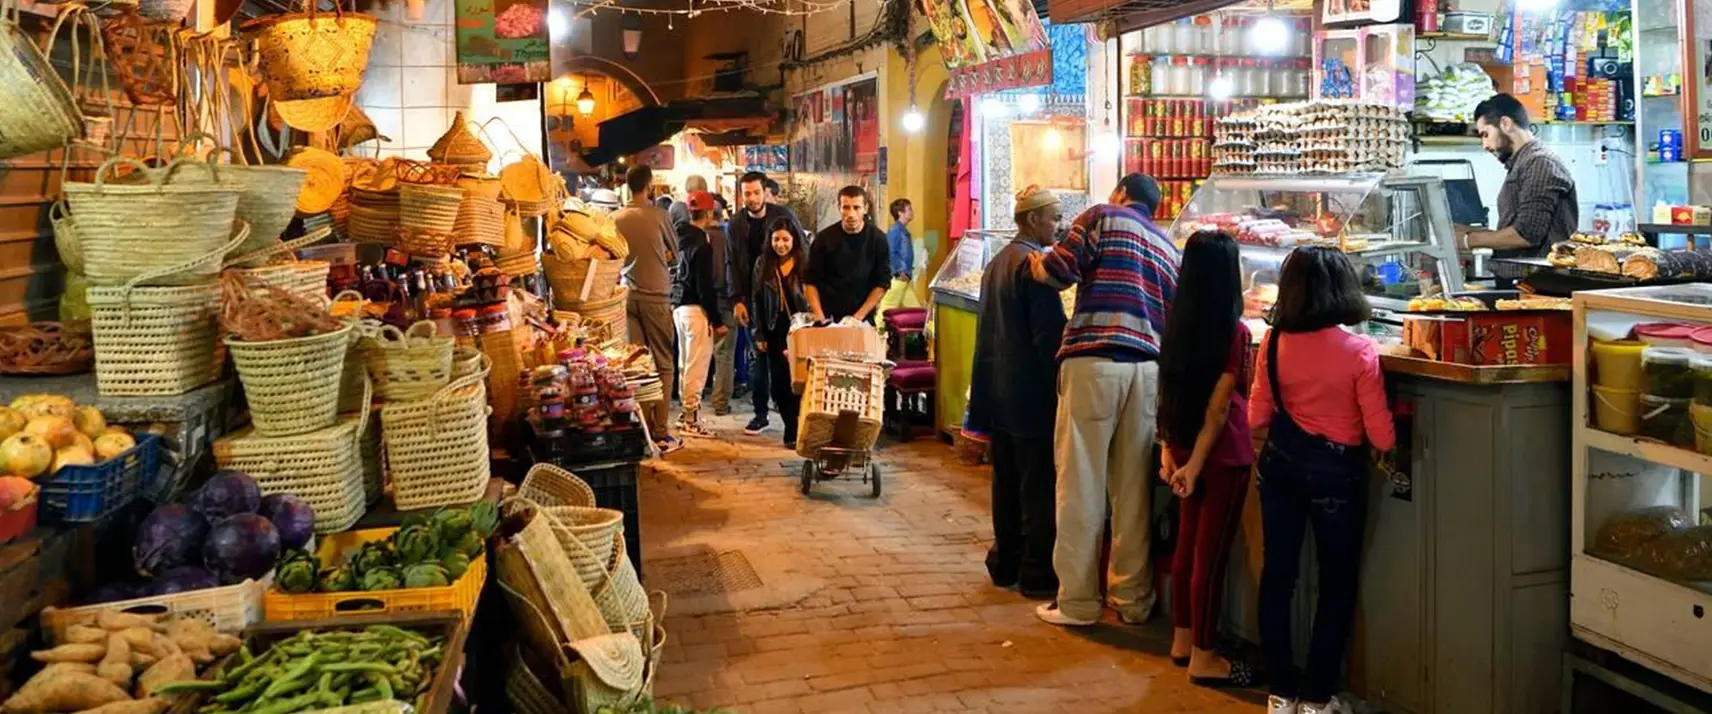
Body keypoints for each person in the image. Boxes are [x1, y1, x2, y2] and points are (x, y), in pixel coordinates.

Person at [1024, 173, 1179, 628]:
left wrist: (1033, 264)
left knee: (1080, 487)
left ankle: (1077, 603)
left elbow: (1058, 271)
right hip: (1147, 373)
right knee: (1132, 494)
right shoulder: (1169, 247)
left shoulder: (1102, 216)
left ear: (1120, 195)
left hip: (1094, 364)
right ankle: (1132, 599)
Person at [1250, 247, 1396, 714]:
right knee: (1336, 584)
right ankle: (1316, 699)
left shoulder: (1272, 343)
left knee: (1278, 577)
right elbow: (1381, 436)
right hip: (1337, 476)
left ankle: (1280, 693)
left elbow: (1257, 416)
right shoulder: (1359, 351)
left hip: (1280, 469)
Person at [1156, 230, 1254, 687]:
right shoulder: (1234, 331)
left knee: (1187, 545)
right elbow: (1220, 407)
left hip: (1181, 445)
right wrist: (1196, 464)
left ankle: (1181, 639)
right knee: (1209, 558)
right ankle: (1204, 655)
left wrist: (1169, 451)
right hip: (1220, 455)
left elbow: (1167, 387)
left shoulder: (1174, 319)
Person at [966, 186, 1066, 600]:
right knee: (1036, 487)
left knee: (1005, 483)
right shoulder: (1033, 266)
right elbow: (1049, 337)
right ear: (1033, 220)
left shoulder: (997, 262)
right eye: (1054, 218)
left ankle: (1004, 561)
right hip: (1030, 395)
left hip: (999, 391)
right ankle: (1036, 572)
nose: (1058, 226)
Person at [727, 171, 806, 436]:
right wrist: (738, 300)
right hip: (755, 300)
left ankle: (796, 419)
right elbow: (733, 264)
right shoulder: (737, 223)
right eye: (746, 193)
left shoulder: (782, 216)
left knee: (791, 367)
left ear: (765, 192)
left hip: (787, 304)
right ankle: (760, 413)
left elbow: (802, 251)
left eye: (756, 192)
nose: (751, 198)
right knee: (759, 362)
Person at [611, 165, 681, 453]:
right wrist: (659, 256)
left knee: (637, 365)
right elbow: (675, 254)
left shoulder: (615, 217)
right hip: (656, 297)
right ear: (649, 185)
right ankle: (661, 429)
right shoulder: (659, 215)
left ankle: (640, 429)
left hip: (628, 297)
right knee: (664, 363)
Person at [1458, 94, 1577, 258]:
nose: (1484, 145)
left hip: (1533, 281)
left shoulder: (1540, 163)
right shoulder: (1522, 164)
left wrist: (1466, 240)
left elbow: (1526, 235)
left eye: (1485, 134)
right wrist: (1464, 231)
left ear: (1505, 124)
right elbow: (1516, 227)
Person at [671, 191, 728, 438]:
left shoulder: (677, 238)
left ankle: (687, 413)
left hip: (678, 307)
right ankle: (691, 418)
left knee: (685, 363)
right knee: (697, 366)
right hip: (696, 310)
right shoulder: (702, 245)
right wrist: (716, 320)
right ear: (708, 213)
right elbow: (705, 286)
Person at [752, 217, 808, 448]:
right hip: (775, 330)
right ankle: (790, 428)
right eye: (776, 239)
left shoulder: (805, 262)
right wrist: (759, 334)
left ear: (794, 239)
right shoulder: (763, 264)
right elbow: (756, 300)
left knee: (802, 379)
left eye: (785, 239)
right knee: (780, 383)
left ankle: (803, 424)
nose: (780, 244)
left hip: (803, 331)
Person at [805, 186, 891, 323]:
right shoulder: (823, 239)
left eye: (856, 207)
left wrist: (858, 317)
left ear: (865, 208)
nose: (851, 214)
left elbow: (882, 283)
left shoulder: (878, 239)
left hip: (863, 318)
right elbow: (810, 281)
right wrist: (820, 316)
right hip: (828, 317)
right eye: (846, 207)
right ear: (839, 207)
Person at [877, 198, 921, 324]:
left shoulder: (901, 231)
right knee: (888, 306)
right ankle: (877, 331)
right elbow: (891, 252)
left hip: (904, 277)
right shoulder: (896, 231)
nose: (912, 212)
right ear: (900, 213)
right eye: (909, 209)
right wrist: (899, 271)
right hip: (898, 278)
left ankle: (920, 334)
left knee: (916, 309)